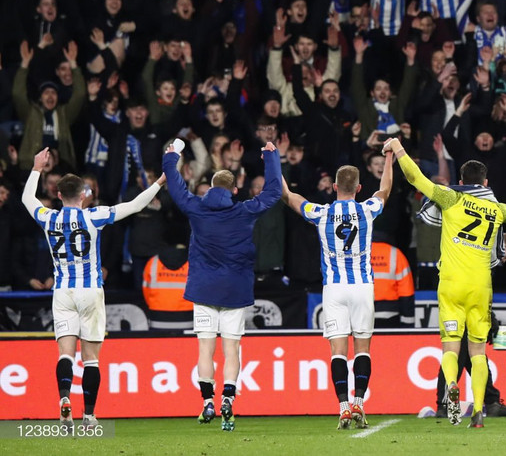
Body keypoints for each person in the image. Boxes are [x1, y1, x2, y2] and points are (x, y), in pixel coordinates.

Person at [387, 136, 506, 428]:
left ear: (461, 180)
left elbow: (415, 177)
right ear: (485, 182)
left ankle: (452, 386)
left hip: (451, 283)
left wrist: (398, 147)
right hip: (481, 286)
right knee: (478, 352)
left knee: (451, 349)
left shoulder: (451, 197)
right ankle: (478, 411)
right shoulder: (496, 210)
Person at [22, 147, 162, 427]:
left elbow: (27, 198)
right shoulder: (94, 216)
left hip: (62, 292)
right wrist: (159, 182)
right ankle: (88, 414)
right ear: (84, 195)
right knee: (91, 359)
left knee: (65, 353)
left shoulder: (48, 217)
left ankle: (64, 399)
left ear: (58, 195)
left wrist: (37, 167)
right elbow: (135, 205)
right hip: (90, 291)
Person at [161, 138, 282, 430]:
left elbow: (175, 184)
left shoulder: (196, 207)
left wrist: (172, 154)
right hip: (235, 290)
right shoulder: (244, 210)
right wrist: (271, 156)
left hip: (204, 290)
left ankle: (207, 402)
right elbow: (273, 191)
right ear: (234, 190)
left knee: (205, 350)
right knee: (232, 350)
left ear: (211, 187)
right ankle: (228, 398)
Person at [279, 151, 393, 429]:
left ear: (333, 187)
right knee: (363, 349)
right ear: (359, 188)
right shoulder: (367, 209)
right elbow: (386, 189)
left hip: (334, 289)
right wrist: (389, 157)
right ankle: (359, 403)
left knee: (338, 352)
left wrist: (274, 163)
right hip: (362, 288)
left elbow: (289, 197)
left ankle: (342, 407)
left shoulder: (322, 212)